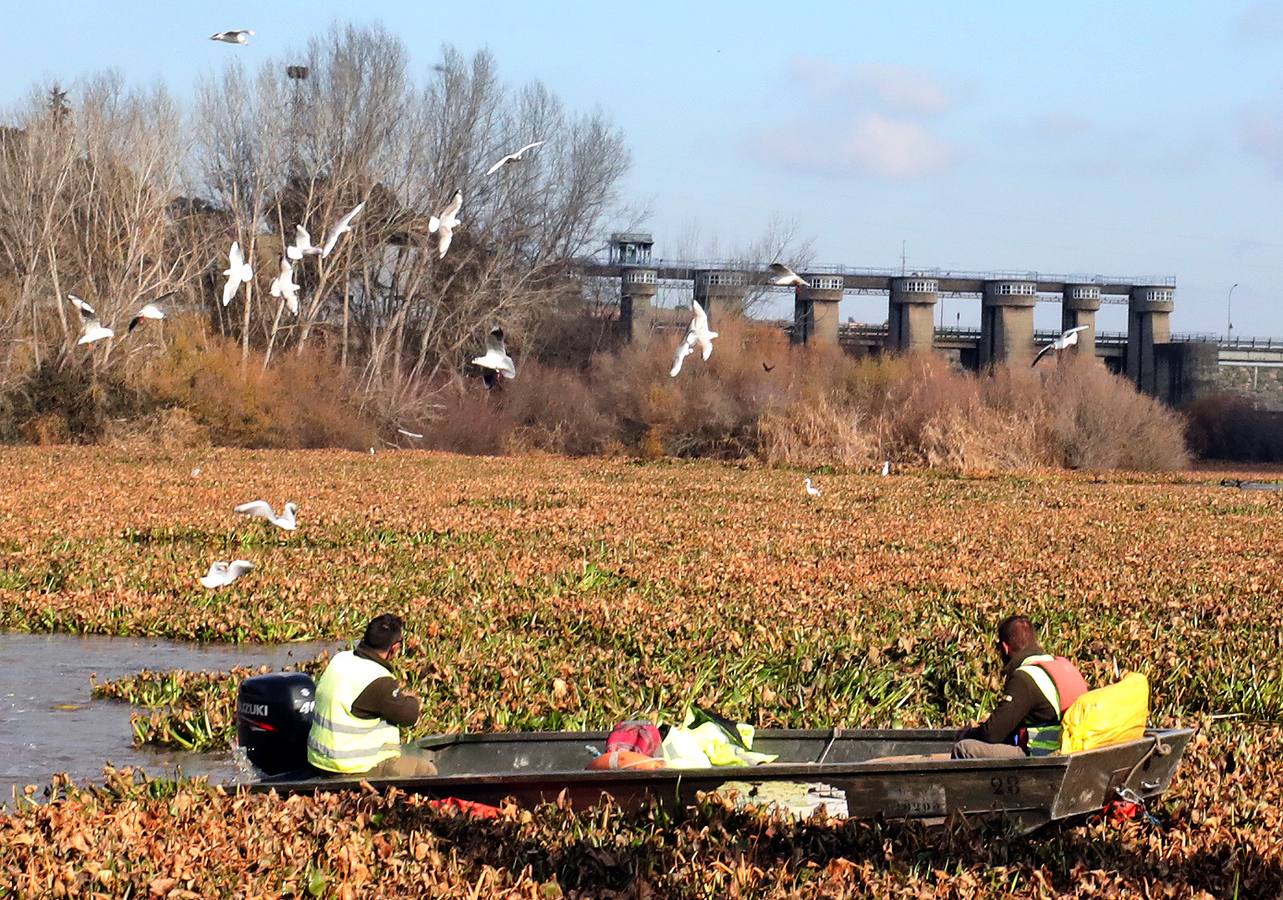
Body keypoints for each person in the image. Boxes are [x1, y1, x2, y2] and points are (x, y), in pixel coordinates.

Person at [307, 613, 437, 778]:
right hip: (350, 768)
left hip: (319, 762)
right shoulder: (379, 680)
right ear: (395, 647)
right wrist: (412, 699)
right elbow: (409, 717)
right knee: (427, 770)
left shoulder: (340, 659)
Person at [952, 614, 1089, 759]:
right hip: (1077, 754)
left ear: (1005, 648)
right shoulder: (1062, 665)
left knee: (964, 748)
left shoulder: (1026, 677)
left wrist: (968, 733)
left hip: (1047, 759)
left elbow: (992, 734)